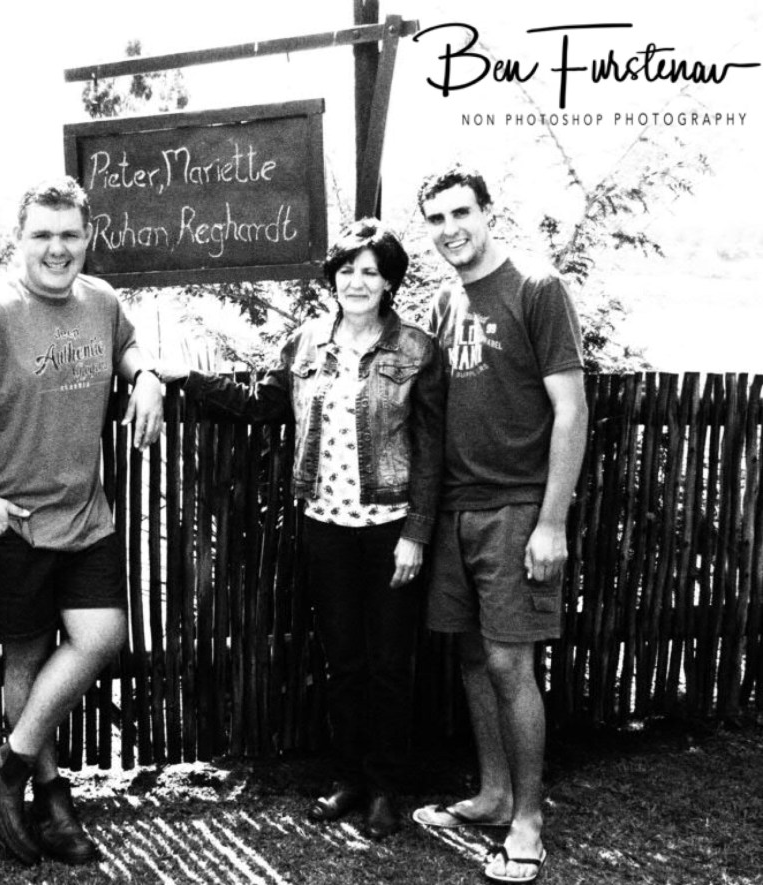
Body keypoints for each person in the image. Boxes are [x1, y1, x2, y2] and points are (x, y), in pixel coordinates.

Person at [161, 219, 445, 839]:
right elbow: (265, 401)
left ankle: (386, 789)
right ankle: (348, 779)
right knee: (342, 660)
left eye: (371, 271)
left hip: (389, 527)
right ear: (333, 277)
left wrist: (416, 535)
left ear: (390, 280)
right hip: (324, 524)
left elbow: (430, 449)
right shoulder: (309, 341)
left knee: (389, 664)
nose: (357, 281)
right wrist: (188, 379)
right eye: (347, 269)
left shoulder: (417, 348)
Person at [0, 176, 164, 866]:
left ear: (88, 237)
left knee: (100, 635)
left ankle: (7, 767)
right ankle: (52, 800)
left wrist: (146, 374)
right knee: (25, 656)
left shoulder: (102, 300)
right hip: (14, 521)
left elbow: (125, 345)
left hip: (87, 517)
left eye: (69, 235)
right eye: (42, 235)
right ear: (17, 239)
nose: (57, 249)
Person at [410, 166, 587, 885]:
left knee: (513, 662)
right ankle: (491, 794)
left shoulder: (536, 289)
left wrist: (551, 522)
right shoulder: (444, 302)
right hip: (458, 508)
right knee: (474, 658)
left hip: (517, 508)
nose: (451, 227)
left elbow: (571, 411)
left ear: (489, 213)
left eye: (463, 212)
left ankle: (528, 820)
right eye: (437, 218)